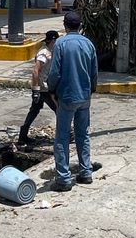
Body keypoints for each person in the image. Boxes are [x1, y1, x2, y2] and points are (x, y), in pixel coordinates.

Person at [45, 11, 97, 191]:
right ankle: (86, 172)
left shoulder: (60, 44)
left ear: (65, 25)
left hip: (67, 96)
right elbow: (94, 72)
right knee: (83, 135)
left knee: (62, 137)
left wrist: (51, 90)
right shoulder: (88, 44)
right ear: (80, 25)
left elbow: (54, 73)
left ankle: (64, 178)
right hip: (84, 96)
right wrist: (90, 90)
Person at [18, 30, 59, 147]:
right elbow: (35, 71)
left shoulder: (52, 52)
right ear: (53, 41)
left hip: (45, 87)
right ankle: (65, 134)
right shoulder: (44, 53)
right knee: (58, 109)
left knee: (34, 111)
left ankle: (23, 136)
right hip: (43, 89)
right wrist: (36, 90)